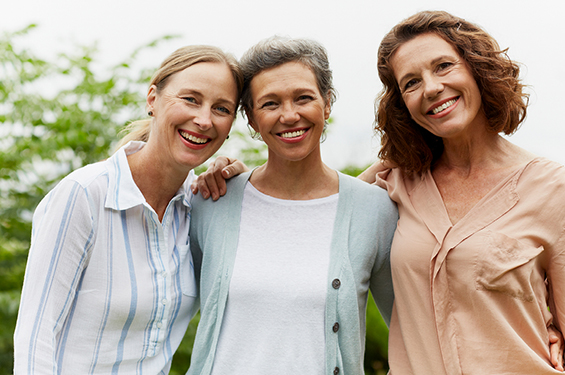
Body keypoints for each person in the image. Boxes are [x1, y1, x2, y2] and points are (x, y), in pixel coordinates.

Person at [13, 45, 243, 374]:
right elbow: (35, 336)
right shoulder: (85, 194)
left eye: (221, 108)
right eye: (190, 99)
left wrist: (241, 187)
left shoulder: (199, 207)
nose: (204, 119)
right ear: (153, 99)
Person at [361, 10, 565, 374]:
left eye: (443, 66)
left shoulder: (553, 189)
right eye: (411, 83)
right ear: (402, 105)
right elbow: (316, 209)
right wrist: (227, 170)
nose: (431, 88)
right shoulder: (397, 183)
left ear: (477, 69)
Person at [187, 36, 398, 375]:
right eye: (270, 104)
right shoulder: (212, 201)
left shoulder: (375, 211)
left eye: (303, 98)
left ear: (326, 104)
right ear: (251, 119)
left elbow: (411, 333)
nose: (289, 115)